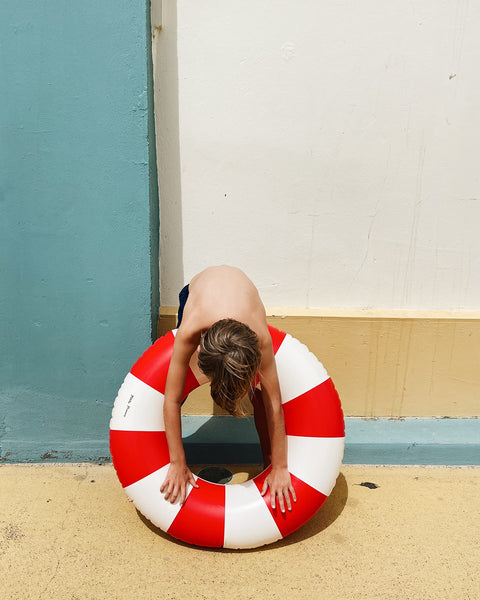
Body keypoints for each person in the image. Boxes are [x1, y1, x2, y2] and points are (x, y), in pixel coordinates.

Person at [160, 265, 296, 513]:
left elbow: (274, 404)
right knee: (181, 386)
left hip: (242, 308)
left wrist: (280, 467)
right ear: (199, 349)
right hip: (195, 294)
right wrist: (178, 463)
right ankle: (165, 466)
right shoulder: (191, 331)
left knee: (259, 394)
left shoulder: (260, 340)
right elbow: (171, 400)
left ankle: (266, 463)